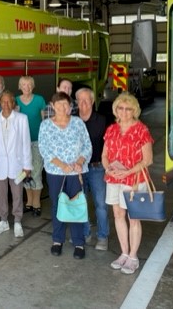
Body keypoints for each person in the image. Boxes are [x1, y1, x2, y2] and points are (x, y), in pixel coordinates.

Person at [102, 92, 153, 275]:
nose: (124, 111)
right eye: (121, 108)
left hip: (134, 180)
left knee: (134, 218)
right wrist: (108, 168)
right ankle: (123, 252)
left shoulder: (142, 130)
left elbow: (147, 160)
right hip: (114, 178)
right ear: (116, 109)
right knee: (117, 214)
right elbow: (105, 155)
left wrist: (127, 172)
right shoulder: (112, 129)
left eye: (128, 108)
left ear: (135, 110)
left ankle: (133, 257)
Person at [38, 92, 92, 259]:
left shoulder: (78, 123)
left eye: (65, 104)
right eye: (58, 104)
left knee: (77, 206)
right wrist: (62, 166)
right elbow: (44, 149)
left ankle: (78, 242)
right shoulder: (46, 125)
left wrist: (80, 162)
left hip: (76, 172)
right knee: (57, 205)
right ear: (53, 106)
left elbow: (87, 146)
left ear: (70, 107)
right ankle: (57, 240)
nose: (62, 107)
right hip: (56, 173)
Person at [0, 91, 32, 237]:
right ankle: (3, 221)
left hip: (17, 164)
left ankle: (17, 221)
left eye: (9, 102)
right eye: (3, 102)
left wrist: (27, 165)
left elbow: (26, 143)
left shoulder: (22, 119)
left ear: (13, 104)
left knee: (17, 193)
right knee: (1, 194)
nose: (6, 105)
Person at [76, 88, 109, 251]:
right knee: (80, 203)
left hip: (97, 168)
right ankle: (85, 233)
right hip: (79, 169)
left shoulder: (102, 120)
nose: (83, 104)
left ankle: (102, 236)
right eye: (80, 100)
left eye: (87, 100)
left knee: (100, 204)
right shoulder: (73, 121)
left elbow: (109, 145)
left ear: (92, 101)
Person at [15, 76, 46, 217]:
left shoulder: (39, 100)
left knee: (36, 172)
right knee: (24, 173)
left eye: (29, 85)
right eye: (23, 85)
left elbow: (45, 121)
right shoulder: (15, 100)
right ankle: (28, 201)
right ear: (19, 86)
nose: (26, 87)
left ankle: (36, 203)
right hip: (21, 143)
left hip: (36, 141)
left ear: (33, 86)